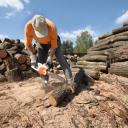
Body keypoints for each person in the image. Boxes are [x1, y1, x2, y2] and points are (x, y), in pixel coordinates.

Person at [24, 15, 74, 92]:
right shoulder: (28, 27)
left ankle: (70, 82)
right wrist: (33, 58)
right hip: (40, 43)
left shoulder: (52, 27)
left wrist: (50, 58)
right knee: (41, 63)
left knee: (61, 59)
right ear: (34, 27)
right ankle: (45, 83)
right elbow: (28, 45)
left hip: (53, 42)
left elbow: (54, 47)